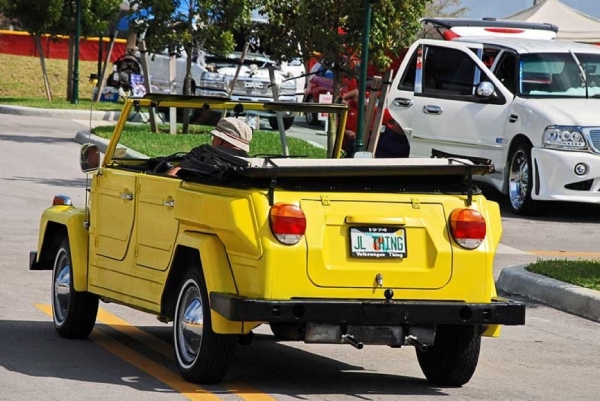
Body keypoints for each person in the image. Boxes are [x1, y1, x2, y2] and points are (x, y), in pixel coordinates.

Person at [167, 117, 253, 176]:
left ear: (220, 139)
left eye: (214, 137)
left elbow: (173, 175)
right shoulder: (249, 164)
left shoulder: (203, 152)